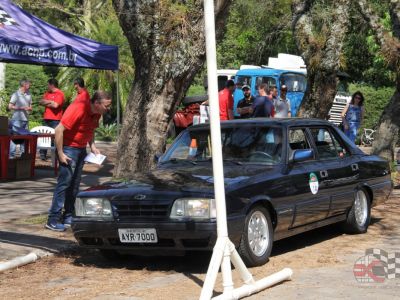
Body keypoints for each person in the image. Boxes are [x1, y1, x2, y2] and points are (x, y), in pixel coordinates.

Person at [46, 91, 112, 231]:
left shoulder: (97, 113)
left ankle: (68, 215)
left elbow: (91, 129)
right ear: (96, 103)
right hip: (69, 149)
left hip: (81, 150)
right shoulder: (79, 108)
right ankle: (52, 219)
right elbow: (58, 130)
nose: (108, 108)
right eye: (107, 105)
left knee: (74, 185)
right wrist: (60, 153)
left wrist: (92, 146)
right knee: (64, 184)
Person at [38, 78, 65, 160]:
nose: (47, 86)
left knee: (55, 137)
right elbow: (41, 101)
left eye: (48, 85)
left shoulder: (60, 94)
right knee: (43, 136)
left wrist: (47, 102)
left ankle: (57, 155)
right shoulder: (47, 93)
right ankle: (42, 155)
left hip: (55, 120)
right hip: (46, 118)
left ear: (52, 85)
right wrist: (51, 102)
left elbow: (56, 105)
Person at [8, 79, 32, 158]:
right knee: (14, 139)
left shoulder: (29, 94)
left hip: (26, 120)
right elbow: (10, 106)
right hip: (17, 120)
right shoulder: (16, 94)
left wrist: (29, 108)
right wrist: (20, 108)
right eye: (29, 84)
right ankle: (11, 158)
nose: (30, 85)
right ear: (24, 85)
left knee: (24, 139)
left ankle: (23, 159)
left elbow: (30, 106)